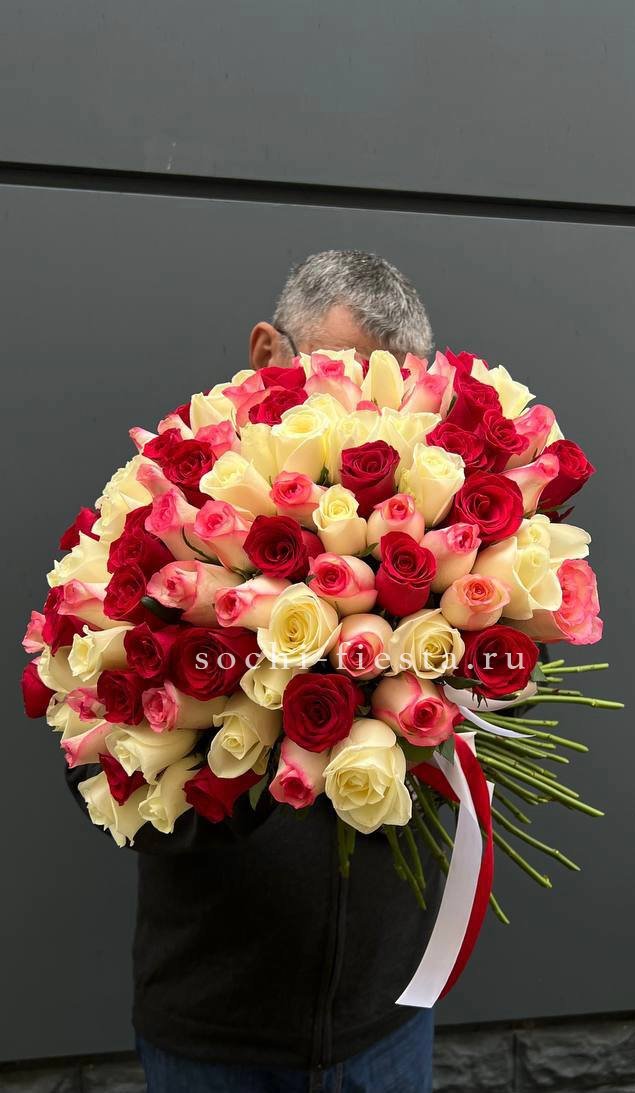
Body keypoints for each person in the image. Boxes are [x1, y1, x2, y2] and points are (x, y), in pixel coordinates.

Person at [67, 251, 441, 1093]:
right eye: (340, 377)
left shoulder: (425, 507)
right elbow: (96, 763)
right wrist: (246, 764)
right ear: (268, 352)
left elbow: (496, 713)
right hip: (217, 1032)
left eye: (394, 393)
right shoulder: (162, 515)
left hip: (385, 1020)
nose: (365, 417)